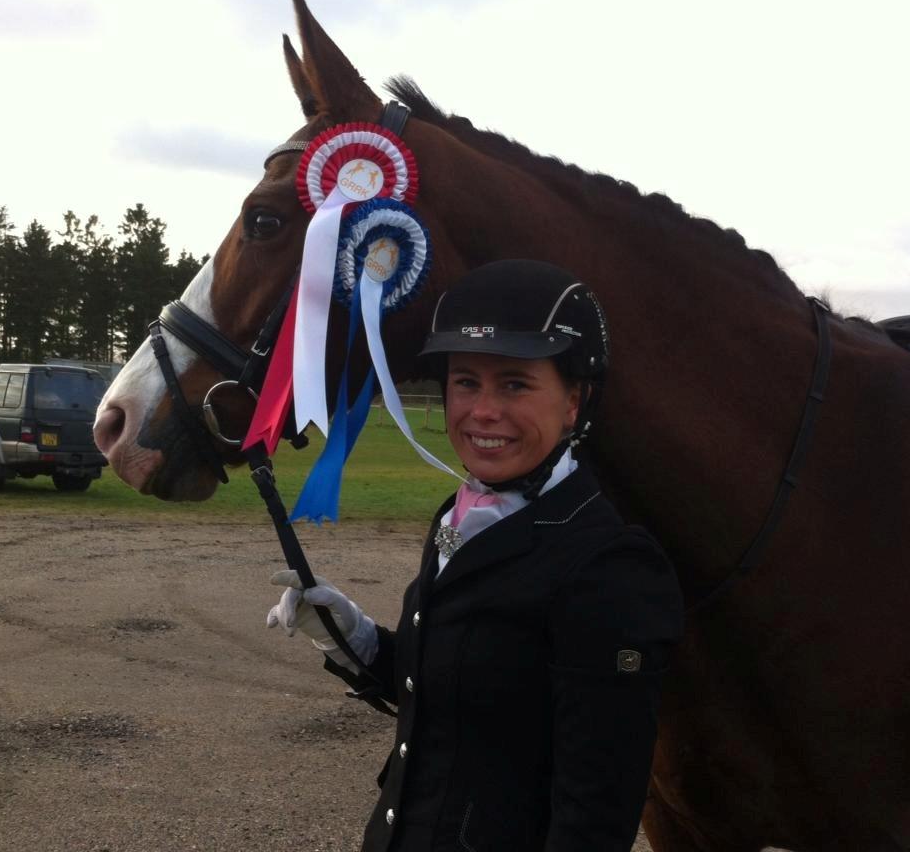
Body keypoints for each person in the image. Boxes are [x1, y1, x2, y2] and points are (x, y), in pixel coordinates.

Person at [268, 259, 684, 852]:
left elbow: (594, 812)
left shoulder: (609, 568)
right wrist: (351, 635)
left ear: (573, 401)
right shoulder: (459, 512)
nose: (483, 410)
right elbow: (455, 692)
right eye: (466, 382)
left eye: (514, 384)